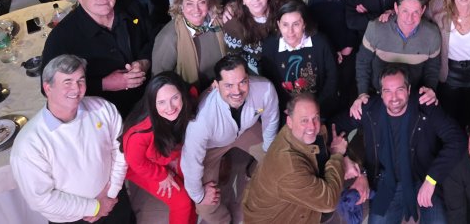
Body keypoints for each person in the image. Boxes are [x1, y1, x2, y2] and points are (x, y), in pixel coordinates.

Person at [11, 55, 134, 223]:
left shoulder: (103, 108)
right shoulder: (29, 144)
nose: (76, 89)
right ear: (48, 88)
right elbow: (41, 199)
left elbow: (120, 151)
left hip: (114, 200)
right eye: (67, 82)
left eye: (80, 81)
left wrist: (110, 194)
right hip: (73, 219)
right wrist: (95, 207)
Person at [339, 65, 465, 224]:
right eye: (388, 91)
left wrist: (432, 179)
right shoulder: (369, 108)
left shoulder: (425, 105)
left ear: (409, 89)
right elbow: (335, 127)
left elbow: (457, 140)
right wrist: (347, 160)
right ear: (381, 92)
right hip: (386, 181)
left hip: (423, 176)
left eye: (399, 89)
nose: (394, 98)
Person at [180, 54, 280, 224]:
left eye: (242, 82)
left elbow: (271, 119)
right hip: (211, 147)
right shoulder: (201, 119)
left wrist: (268, 152)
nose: (237, 91)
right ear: (216, 85)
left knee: (276, 159)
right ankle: (225, 221)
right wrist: (199, 195)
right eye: (228, 85)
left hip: (245, 131)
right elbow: (191, 161)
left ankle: (253, 173)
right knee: (205, 207)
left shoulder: (265, 88)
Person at [242, 92, 367, 224]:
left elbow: (330, 133)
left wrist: (361, 104)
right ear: (289, 121)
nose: (312, 126)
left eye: (315, 118)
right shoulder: (287, 168)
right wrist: (337, 156)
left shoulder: (294, 132)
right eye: (304, 120)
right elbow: (328, 201)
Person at [42, 0, 154, 116]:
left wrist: (144, 62)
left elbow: (154, 37)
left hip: (148, 97)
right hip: (101, 112)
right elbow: (49, 88)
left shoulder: (132, 6)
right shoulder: (62, 36)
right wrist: (104, 84)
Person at [122, 72, 197, 224]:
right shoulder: (140, 132)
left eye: (175, 98)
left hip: (168, 153)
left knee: (192, 188)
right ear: (152, 103)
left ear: (182, 94)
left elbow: (195, 91)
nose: (170, 107)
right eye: (161, 102)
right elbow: (136, 163)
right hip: (142, 166)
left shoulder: (190, 98)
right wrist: (161, 175)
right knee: (181, 202)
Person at [259, 0, 339, 117]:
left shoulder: (320, 42)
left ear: (304, 24)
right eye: (285, 25)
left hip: (319, 106)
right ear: (278, 25)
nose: (290, 31)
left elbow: (332, 77)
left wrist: (316, 107)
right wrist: (286, 108)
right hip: (286, 109)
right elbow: (268, 83)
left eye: (296, 24)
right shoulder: (269, 47)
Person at [152, 0, 228, 91]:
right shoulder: (168, 37)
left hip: (222, 90)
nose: (196, 10)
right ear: (181, 5)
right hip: (189, 98)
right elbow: (159, 83)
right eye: (189, 3)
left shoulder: (219, 21)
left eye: (202, 2)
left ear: (209, 2)